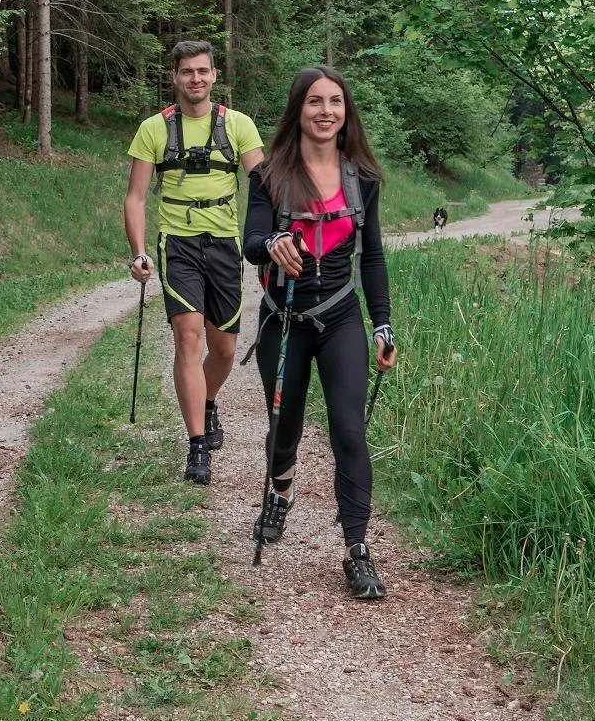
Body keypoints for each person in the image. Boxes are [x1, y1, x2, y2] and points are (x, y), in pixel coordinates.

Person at [242, 66, 397, 599]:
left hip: (339, 316)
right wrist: (274, 244)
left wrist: (383, 324)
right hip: (281, 320)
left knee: (349, 430)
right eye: (314, 102)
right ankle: (280, 494)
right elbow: (251, 241)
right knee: (285, 429)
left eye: (335, 102)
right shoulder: (268, 174)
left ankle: (356, 548)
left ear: (345, 111)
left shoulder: (364, 178)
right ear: (298, 110)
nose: (326, 111)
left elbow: (372, 256)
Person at [123, 41, 264, 485]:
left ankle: (207, 401)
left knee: (223, 348)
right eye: (187, 72)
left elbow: (262, 188)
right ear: (175, 77)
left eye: (202, 71)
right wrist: (139, 251)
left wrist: (272, 240)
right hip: (178, 244)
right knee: (189, 338)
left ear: (214, 75)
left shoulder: (238, 125)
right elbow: (136, 197)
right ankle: (197, 447)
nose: (195, 79)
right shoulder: (154, 129)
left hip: (224, 244)